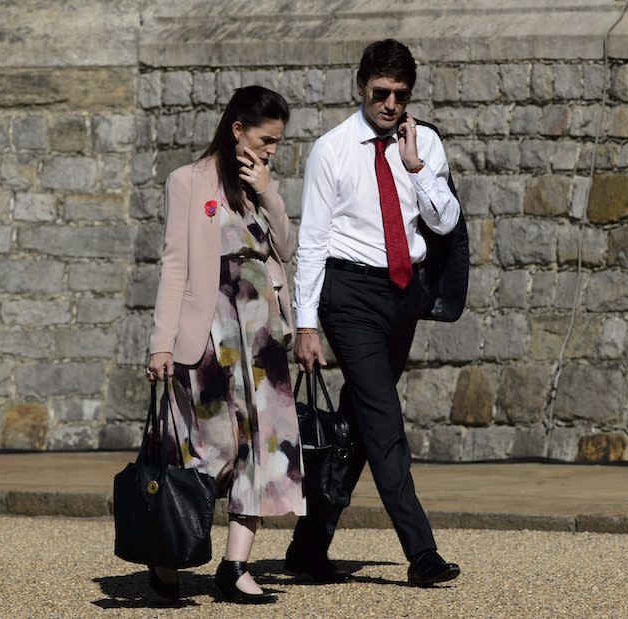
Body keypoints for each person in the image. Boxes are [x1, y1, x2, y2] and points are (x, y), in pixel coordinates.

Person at [288, 39, 462, 587]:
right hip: (349, 295)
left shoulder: (425, 143)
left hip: (402, 294)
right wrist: (306, 322)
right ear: (361, 85)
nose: (390, 103)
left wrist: (415, 168)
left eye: (400, 94)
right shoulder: (332, 149)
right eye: (381, 92)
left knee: (361, 420)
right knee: (384, 418)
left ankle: (309, 546)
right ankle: (421, 552)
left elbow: (444, 222)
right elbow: (312, 242)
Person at [146, 85, 304, 605]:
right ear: (237, 129)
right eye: (267, 139)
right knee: (211, 449)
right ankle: (168, 555)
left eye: (279, 142)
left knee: (267, 449)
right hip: (210, 332)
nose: (272, 149)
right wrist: (160, 344)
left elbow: (285, 248)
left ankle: (235, 566)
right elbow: (174, 265)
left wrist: (270, 191)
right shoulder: (187, 181)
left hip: (262, 335)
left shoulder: (258, 183)